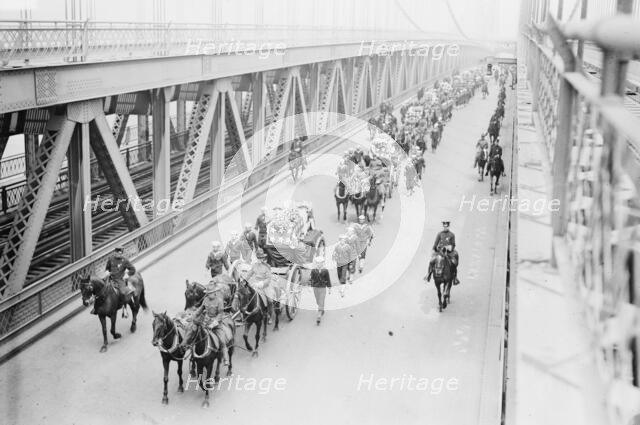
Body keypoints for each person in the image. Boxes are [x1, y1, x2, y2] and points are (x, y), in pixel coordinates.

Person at [99, 246, 135, 314]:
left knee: (123, 292)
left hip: (120, 280)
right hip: (110, 278)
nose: (118, 254)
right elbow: (107, 268)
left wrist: (127, 274)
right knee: (100, 289)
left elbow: (133, 269)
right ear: (114, 252)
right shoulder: (110, 259)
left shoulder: (125, 260)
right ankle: (97, 307)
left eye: (119, 253)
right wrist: (107, 272)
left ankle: (123, 307)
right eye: (116, 252)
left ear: (121, 253)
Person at [200, 287, 231, 365]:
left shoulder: (219, 301)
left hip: (216, 323)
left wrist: (214, 323)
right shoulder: (205, 300)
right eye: (208, 293)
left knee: (222, 340)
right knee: (197, 335)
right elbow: (200, 309)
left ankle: (226, 358)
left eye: (210, 293)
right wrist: (193, 315)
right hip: (206, 322)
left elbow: (220, 314)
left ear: (214, 292)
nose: (209, 294)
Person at [245, 248, 277, 320]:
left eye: (261, 258)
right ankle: (248, 312)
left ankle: (269, 315)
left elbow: (269, 278)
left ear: (264, 258)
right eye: (258, 258)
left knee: (270, 300)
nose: (260, 260)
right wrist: (244, 280)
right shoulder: (254, 266)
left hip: (265, 285)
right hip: (256, 284)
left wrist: (262, 283)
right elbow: (249, 274)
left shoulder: (267, 266)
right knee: (247, 296)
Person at [432, 221, 460, 285]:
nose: (445, 227)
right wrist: (434, 249)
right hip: (440, 252)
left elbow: (453, 244)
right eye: (444, 226)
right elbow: (436, 243)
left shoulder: (451, 234)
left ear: (448, 226)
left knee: (454, 263)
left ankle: (455, 278)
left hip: (448, 252)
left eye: (446, 226)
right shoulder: (439, 234)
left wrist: (449, 247)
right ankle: (428, 274)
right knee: (432, 261)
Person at [309, 256, 332, 325]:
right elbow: (311, 279)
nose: (319, 264)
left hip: (322, 288)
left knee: (321, 300)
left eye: (320, 263)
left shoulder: (325, 270)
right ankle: (321, 308)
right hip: (315, 288)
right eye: (318, 263)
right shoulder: (313, 270)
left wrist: (329, 288)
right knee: (318, 301)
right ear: (316, 263)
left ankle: (319, 315)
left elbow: (328, 279)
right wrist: (310, 287)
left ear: (323, 263)